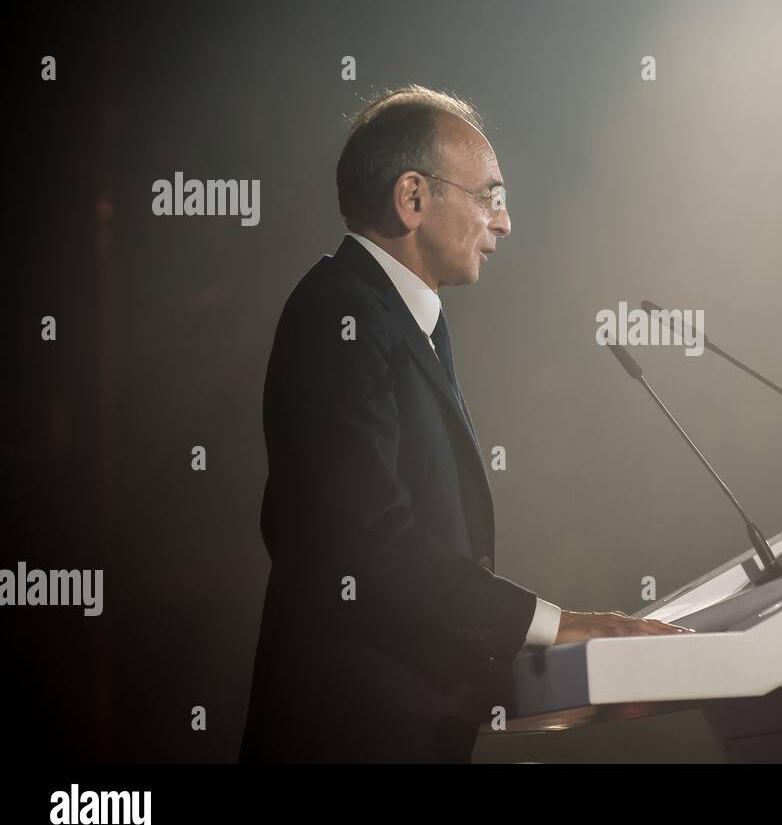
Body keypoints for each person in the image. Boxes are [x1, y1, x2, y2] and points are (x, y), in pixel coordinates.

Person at [239, 85, 689, 763]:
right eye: (490, 196)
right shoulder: (340, 317)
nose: (504, 223)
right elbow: (366, 546)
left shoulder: (397, 319)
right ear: (413, 197)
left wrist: (572, 672)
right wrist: (557, 627)